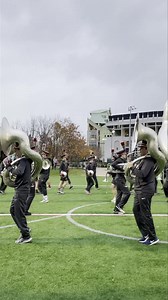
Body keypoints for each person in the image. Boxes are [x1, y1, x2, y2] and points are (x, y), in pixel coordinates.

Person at [129, 140, 159, 245]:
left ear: (147, 149)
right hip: (139, 189)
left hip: (145, 190)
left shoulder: (149, 160)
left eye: (141, 148)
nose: (139, 150)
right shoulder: (142, 160)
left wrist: (132, 167)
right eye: (139, 147)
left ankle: (153, 237)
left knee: (145, 213)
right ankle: (145, 234)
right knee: (136, 210)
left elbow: (142, 174)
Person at [8, 142, 32, 244]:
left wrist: (10, 168)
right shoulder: (25, 160)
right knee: (13, 210)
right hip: (20, 189)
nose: (15, 151)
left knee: (18, 212)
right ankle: (24, 230)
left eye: (16, 149)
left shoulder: (23, 160)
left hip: (22, 190)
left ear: (21, 150)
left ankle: (26, 235)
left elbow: (19, 172)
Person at [111, 149, 131, 214]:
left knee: (119, 195)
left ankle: (116, 210)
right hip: (119, 179)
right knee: (127, 193)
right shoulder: (120, 160)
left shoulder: (123, 160)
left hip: (120, 178)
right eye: (125, 154)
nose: (126, 155)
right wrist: (121, 169)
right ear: (122, 155)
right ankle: (119, 206)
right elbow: (113, 164)